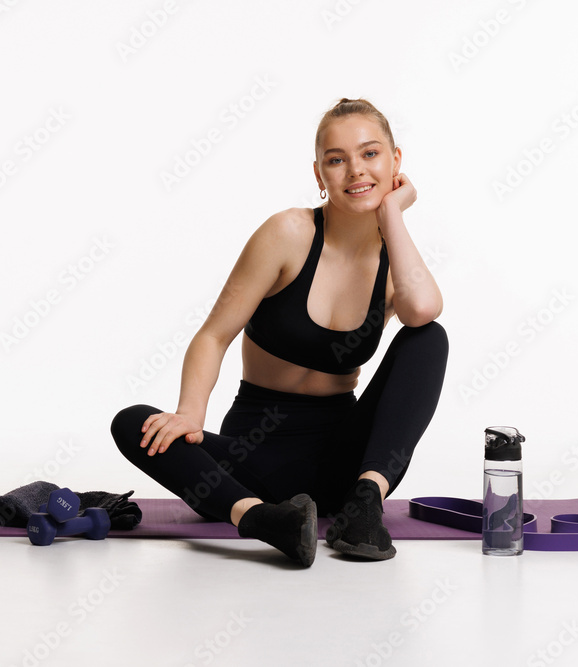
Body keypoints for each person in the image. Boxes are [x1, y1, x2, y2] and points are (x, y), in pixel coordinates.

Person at [111, 98, 448, 567]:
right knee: (133, 422)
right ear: (319, 174)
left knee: (429, 337)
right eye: (337, 159)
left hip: (343, 467)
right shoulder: (288, 233)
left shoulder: (397, 263)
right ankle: (267, 522)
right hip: (252, 458)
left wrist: (392, 214)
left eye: (370, 154)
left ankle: (366, 506)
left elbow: (424, 310)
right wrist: (190, 412)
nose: (355, 170)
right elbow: (213, 335)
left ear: (395, 161)